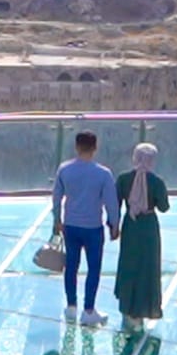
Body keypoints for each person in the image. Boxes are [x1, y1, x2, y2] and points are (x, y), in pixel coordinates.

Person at [52, 130, 121, 326]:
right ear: (95, 148)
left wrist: (57, 219)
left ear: (76, 147)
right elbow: (111, 202)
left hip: (71, 226)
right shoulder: (103, 173)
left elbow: (56, 197)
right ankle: (89, 310)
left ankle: (71, 306)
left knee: (71, 267)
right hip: (93, 227)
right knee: (93, 268)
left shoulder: (64, 170)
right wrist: (114, 224)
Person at [113, 142, 170, 329]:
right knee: (148, 267)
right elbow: (163, 207)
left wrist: (113, 226)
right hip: (148, 228)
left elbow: (116, 204)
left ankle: (127, 307)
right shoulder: (157, 181)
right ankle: (145, 307)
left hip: (131, 226)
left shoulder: (123, 179)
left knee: (129, 265)